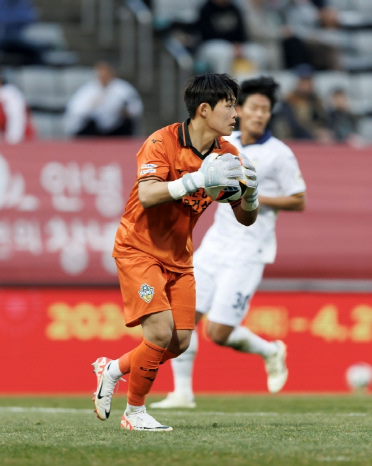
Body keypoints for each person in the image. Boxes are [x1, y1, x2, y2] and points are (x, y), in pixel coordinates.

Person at [91, 74, 260, 431]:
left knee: (180, 342)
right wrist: (197, 179)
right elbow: (150, 194)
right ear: (204, 109)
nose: (236, 114)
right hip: (139, 249)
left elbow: (245, 219)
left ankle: (113, 369)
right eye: (229, 105)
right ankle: (134, 413)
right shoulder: (161, 142)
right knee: (158, 332)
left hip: (180, 258)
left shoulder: (228, 155)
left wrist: (250, 196)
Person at [150, 76, 306, 409]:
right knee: (184, 320)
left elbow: (299, 200)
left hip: (249, 252)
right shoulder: (224, 143)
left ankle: (270, 350)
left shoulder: (279, 154)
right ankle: (182, 393)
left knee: (218, 333)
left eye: (266, 109)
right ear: (240, 109)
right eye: (253, 107)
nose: (259, 115)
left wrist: (253, 196)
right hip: (215, 245)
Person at [63, 61, 143, 137]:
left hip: (116, 127)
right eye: (100, 72)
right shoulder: (88, 90)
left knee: (128, 123)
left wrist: (125, 111)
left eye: (106, 71)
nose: (103, 75)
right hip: (95, 128)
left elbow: (136, 108)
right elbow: (75, 110)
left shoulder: (123, 89)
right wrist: (92, 105)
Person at [195, 0, 268, 74]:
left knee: (257, 52)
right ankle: (223, 83)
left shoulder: (234, 8)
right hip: (210, 45)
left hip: (234, 45)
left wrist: (238, 45)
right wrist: (232, 46)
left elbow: (241, 32)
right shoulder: (205, 8)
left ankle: (254, 83)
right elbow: (207, 33)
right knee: (224, 53)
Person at [273, 64, 332, 141]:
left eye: (308, 80)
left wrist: (324, 132)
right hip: (294, 141)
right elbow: (293, 125)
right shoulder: (289, 100)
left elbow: (324, 120)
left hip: (315, 141)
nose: (306, 85)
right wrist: (314, 136)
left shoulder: (316, 101)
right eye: (303, 81)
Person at [0, 73, 35, 143]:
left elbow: (16, 117)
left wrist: (13, 141)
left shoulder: (8, 94)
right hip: (6, 140)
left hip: (22, 139)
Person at [0, 0, 43, 66]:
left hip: (19, 39)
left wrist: (11, 21)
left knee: (38, 52)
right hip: (0, 39)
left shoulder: (23, 2)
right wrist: (16, 21)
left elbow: (30, 18)